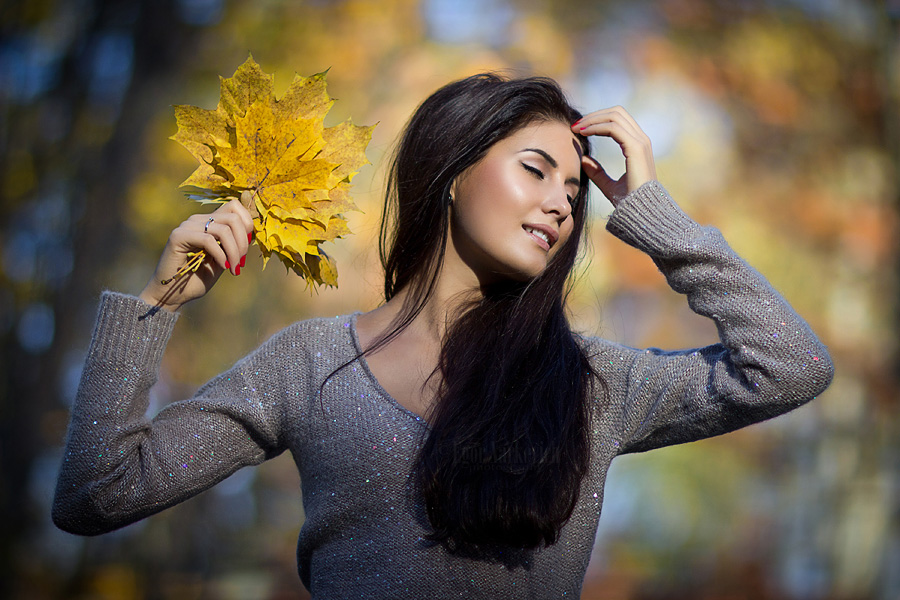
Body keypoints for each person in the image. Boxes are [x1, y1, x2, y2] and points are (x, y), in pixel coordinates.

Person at [52, 73, 833, 597]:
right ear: (455, 172)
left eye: (574, 188)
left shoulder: (595, 384)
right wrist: (157, 305)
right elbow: (97, 494)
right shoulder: (308, 363)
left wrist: (653, 214)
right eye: (535, 169)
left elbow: (790, 365)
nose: (562, 204)